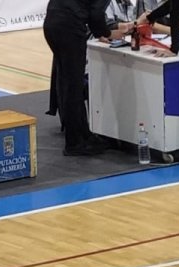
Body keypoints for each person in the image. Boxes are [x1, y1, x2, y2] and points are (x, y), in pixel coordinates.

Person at [44, 0, 128, 156]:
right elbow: (96, 14)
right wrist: (107, 33)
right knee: (73, 85)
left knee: (67, 81)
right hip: (69, 27)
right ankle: (74, 142)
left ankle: (83, 133)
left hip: (53, 23)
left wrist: (101, 31)